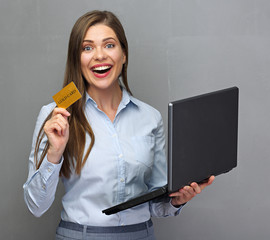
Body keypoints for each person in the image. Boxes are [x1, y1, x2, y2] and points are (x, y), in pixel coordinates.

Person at [23, 10, 214, 240]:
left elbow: (156, 204)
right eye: (87, 48)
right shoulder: (55, 116)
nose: (99, 55)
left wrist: (176, 200)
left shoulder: (150, 118)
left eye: (109, 45)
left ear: (124, 55)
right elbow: (36, 206)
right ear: (77, 59)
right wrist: (54, 153)